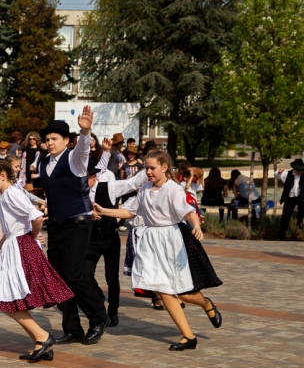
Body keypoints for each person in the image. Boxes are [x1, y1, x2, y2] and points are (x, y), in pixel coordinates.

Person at [95, 150, 223, 351]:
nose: (148, 172)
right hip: (151, 241)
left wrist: (197, 226)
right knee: (163, 290)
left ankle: (206, 304)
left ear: (164, 167)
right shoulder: (145, 188)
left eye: (152, 168)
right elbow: (130, 211)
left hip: (171, 239)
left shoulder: (173, 189)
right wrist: (105, 211)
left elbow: (188, 212)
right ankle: (188, 336)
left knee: (184, 293)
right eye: (146, 168)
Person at [0, 159, 74, 362]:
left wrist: (33, 236)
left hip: (19, 249)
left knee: (5, 298)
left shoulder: (10, 193)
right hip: (15, 245)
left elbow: (35, 217)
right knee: (13, 298)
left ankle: (43, 337)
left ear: (2, 175)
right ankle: (40, 342)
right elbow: (15, 225)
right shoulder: (11, 192)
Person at [38, 108, 110, 345]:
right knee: (58, 278)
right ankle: (72, 328)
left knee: (72, 273)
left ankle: (98, 317)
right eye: (47, 139)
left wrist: (85, 130)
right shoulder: (44, 163)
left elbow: (83, 147)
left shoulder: (74, 157)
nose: (50, 143)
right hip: (57, 224)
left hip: (78, 222)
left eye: (55, 138)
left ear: (66, 140)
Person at [86, 141, 148, 327]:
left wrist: (150, 167)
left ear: (94, 177)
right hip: (90, 239)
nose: (82, 183)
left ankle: (113, 311)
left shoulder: (109, 186)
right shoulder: (77, 193)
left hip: (110, 237)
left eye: (85, 179)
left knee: (112, 277)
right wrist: (89, 214)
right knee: (85, 274)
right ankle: (98, 303)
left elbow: (132, 182)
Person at [275, 159, 304, 240]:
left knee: (303, 206)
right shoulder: (287, 174)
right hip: (290, 198)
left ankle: (299, 223)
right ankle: (281, 234)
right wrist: (279, 172)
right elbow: (276, 175)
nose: (301, 172)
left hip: (300, 196)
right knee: (285, 217)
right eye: (299, 170)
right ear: (294, 169)